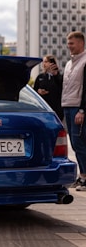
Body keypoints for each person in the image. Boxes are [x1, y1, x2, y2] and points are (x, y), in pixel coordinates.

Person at [61, 31, 86, 191]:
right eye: (68, 43)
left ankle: (85, 178)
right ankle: (82, 175)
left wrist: (82, 110)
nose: (69, 46)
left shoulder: (85, 62)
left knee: (80, 142)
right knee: (75, 144)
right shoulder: (70, 63)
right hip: (68, 106)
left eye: (72, 43)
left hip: (78, 108)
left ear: (81, 43)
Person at [34, 55, 63, 121]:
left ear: (52, 63)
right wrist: (39, 91)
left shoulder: (58, 77)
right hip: (43, 108)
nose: (44, 64)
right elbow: (34, 91)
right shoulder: (40, 77)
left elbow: (62, 88)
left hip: (56, 109)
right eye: (43, 62)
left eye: (46, 62)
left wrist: (56, 74)